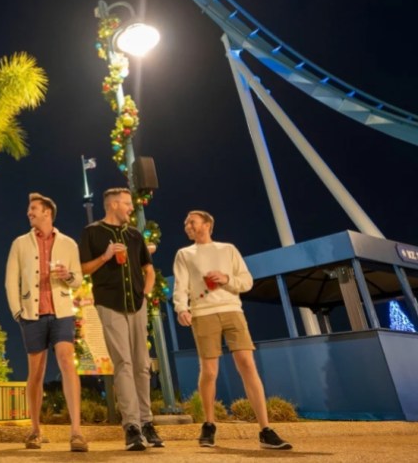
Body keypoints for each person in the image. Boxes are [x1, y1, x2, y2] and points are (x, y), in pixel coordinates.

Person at [173, 210, 292, 450]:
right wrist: (181, 308)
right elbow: (180, 284)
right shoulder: (184, 254)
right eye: (186, 223)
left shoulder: (228, 250)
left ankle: (265, 429)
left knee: (247, 365)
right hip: (203, 313)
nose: (187, 226)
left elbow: (246, 281)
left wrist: (227, 278)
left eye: (191, 222)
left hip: (233, 311)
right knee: (209, 370)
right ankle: (209, 424)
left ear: (207, 224)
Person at [79, 187, 162, 451]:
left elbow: (148, 270)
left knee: (142, 365)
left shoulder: (135, 235)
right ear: (113, 205)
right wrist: (105, 257)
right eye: (127, 204)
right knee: (123, 363)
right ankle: (132, 427)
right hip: (109, 305)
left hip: (136, 306)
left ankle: (147, 423)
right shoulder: (92, 232)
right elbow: (82, 269)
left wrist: (145, 295)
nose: (130, 208)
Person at [5, 192, 88, 453]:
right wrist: (18, 312)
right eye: (29, 209)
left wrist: (68, 275)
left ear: (47, 213)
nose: (29, 213)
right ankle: (35, 430)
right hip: (32, 315)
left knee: (66, 361)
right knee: (36, 372)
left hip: (62, 311)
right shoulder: (20, 243)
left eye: (34, 209)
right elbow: (11, 280)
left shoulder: (68, 244)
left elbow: (78, 280)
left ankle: (76, 432)